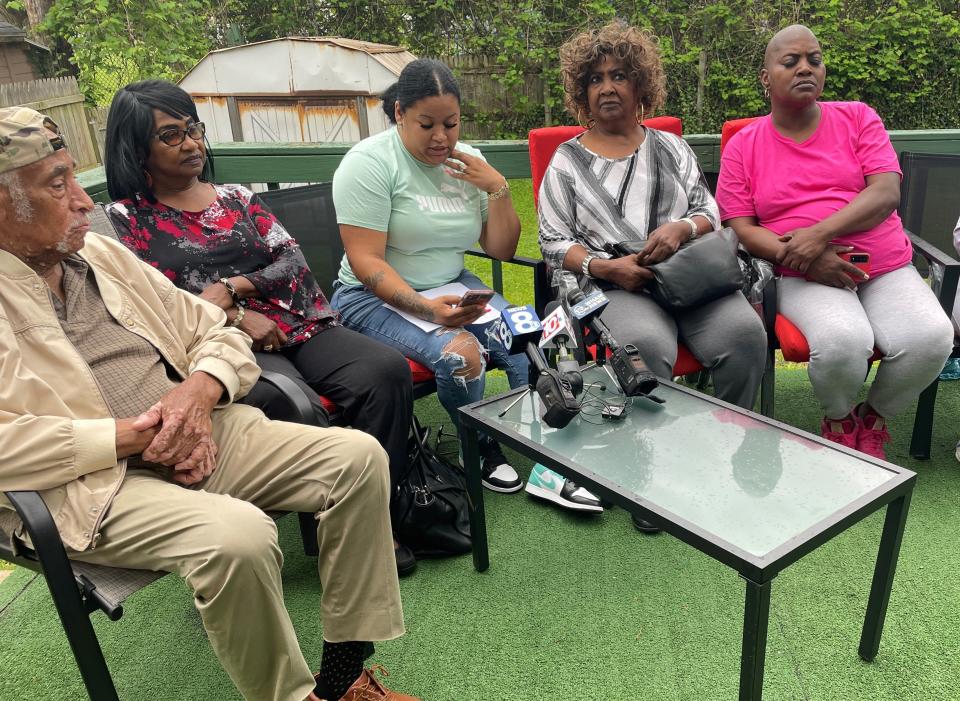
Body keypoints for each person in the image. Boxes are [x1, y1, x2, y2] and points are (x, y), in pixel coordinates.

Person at [0, 107, 417, 701]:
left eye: (74, 177)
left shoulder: (101, 256)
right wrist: (133, 437)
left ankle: (344, 677)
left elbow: (215, 331)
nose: (84, 202)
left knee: (355, 458)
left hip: (203, 430)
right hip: (93, 484)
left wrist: (197, 395)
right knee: (238, 536)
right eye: (57, 184)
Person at [102, 80, 418, 576]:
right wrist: (233, 316)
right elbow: (154, 298)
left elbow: (291, 261)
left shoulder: (235, 196)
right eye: (170, 136)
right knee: (289, 400)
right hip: (217, 345)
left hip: (295, 322)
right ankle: (330, 533)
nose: (191, 144)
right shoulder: (125, 220)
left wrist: (234, 287)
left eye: (193, 130)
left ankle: (377, 518)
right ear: (134, 147)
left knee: (384, 371)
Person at [537, 21, 767, 519]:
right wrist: (606, 266)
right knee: (648, 351)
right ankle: (651, 470)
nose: (607, 87)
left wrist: (682, 229)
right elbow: (553, 243)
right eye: (595, 79)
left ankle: (727, 446)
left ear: (641, 84)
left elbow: (711, 211)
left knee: (745, 336)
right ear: (582, 91)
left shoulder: (670, 147)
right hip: (617, 286)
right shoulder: (566, 162)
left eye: (619, 75)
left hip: (689, 277)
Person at [716, 24, 954, 460]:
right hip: (800, 275)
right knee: (844, 341)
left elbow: (884, 193)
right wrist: (805, 258)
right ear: (766, 77)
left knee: (932, 337)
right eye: (790, 61)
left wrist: (819, 235)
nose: (805, 68)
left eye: (814, 59)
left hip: (884, 266)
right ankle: (840, 419)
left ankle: (874, 417)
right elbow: (741, 227)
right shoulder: (744, 145)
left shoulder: (858, 117)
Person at [331, 58, 535, 498]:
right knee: (460, 355)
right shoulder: (369, 163)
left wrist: (498, 188)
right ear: (400, 112)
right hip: (370, 296)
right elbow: (367, 262)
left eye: (452, 124)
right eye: (427, 124)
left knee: (526, 336)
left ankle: (534, 435)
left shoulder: (470, 163)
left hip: (451, 281)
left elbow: (501, 249)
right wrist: (428, 310)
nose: (441, 138)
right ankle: (476, 445)